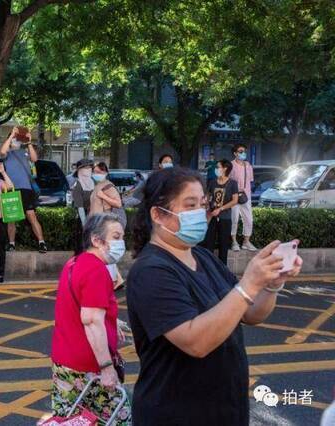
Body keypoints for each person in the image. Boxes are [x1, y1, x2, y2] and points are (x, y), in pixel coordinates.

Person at [126, 166, 302, 425]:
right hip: (175, 414)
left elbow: (251, 313)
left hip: (225, 410)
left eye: (202, 204)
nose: (200, 212)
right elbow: (196, 342)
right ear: (158, 215)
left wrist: (270, 284)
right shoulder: (151, 271)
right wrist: (249, 284)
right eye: (189, 205)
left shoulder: (203, 257)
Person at [50, 213, 130, 424]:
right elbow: (92, 320)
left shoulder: (74, 263)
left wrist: (111, 321)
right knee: (120, 419)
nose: (121, 242)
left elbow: (78, 308)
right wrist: (107, 368)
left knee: (69, 420)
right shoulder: (96, 270)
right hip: (88, 367)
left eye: (122, 236)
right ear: (96, 240)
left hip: (64, 362)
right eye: (116, 236)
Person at [0, 126, 47, 253]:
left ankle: (42, 242)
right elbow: (2, 151)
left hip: (26, 189)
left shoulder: (24, 152)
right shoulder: (7, 153)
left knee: (31, 216)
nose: (16, 141)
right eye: (14, 138)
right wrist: (11, 136)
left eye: (17, 138)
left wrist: (29, 142)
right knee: (11, 218)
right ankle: (11, 244)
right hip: (12, 189)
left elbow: (35, 159)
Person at [201, 159, 239, 265]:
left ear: (225, 169)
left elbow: (235, 200)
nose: (216, 169)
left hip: (225, 218)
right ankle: (208, 267)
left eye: (218, 167)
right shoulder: (212, 182)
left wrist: (221, 209)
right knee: (209, 243)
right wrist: (206, 205)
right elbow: (208, 196)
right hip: (212, 216)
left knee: (223, 245)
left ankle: (222, 270)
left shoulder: (232, 183)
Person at [229, 143, 257, 252]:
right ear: (235, 153)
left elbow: (250, 181)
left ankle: (246, 241)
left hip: (246, 196)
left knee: (249, 219)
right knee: (234, 219)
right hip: (234, 196)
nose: (243, 153)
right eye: (240, 151)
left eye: (244, 151)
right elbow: (228, 181)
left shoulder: (248, 165)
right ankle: (234, 241)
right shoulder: (231, 165)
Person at [71, 159, 95, 254]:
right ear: (79, 170)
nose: (88, 169)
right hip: (83, 217)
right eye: (85, 167)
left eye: (90, 167)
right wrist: (84, 223)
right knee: (82, 245)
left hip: (94, 215)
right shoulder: (77, 186)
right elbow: (80, 207)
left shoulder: (94, 182)